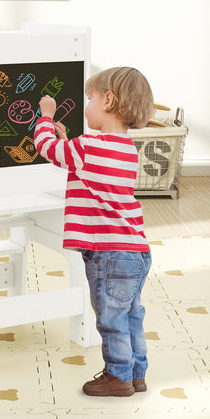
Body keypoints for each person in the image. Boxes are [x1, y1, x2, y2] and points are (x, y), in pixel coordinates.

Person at [34, 66, 154, 397]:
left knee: (110, 320)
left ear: (108, 100)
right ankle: (136, 374)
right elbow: (87, 165)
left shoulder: (86, 147)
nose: (86, 104)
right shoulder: (125, 150)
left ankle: (118, 378)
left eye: (90, 98)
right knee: (131, 315)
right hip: (136, 250)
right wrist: (67, 141)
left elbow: (46, 148)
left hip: (108, 252)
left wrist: (45, 116)